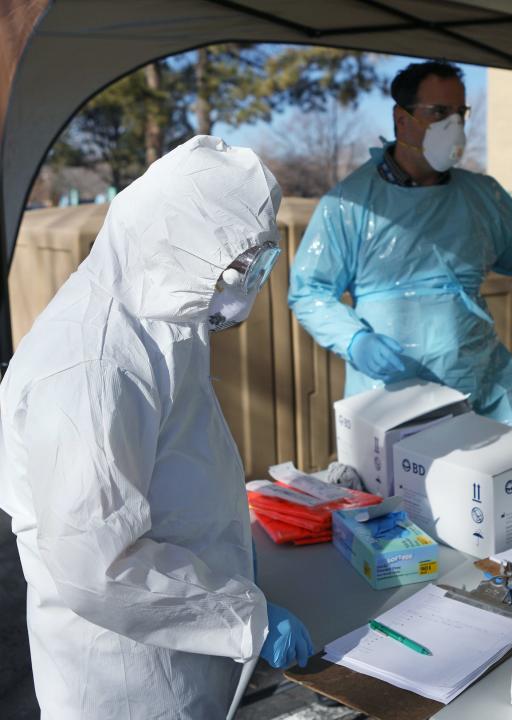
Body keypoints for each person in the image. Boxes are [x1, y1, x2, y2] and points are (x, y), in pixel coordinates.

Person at [0, 136, 314, 718]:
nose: (244, 284)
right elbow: (98, 566)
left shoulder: (165, 306)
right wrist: (247, 618)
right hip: (126, 673)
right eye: (237, 264)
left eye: (258, 262)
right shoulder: (92, 365)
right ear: (180, 239)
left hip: (188, 629)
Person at [289, 60, 512, 499]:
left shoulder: (480, 196)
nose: (453, 126)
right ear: (402, 119)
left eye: (460, 114)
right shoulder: (350, 203)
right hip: (391, 398)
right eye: (439, 113)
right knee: (408, 509)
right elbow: (309, 292)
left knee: (506, 501)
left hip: (480, 384)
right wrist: (357, 340)